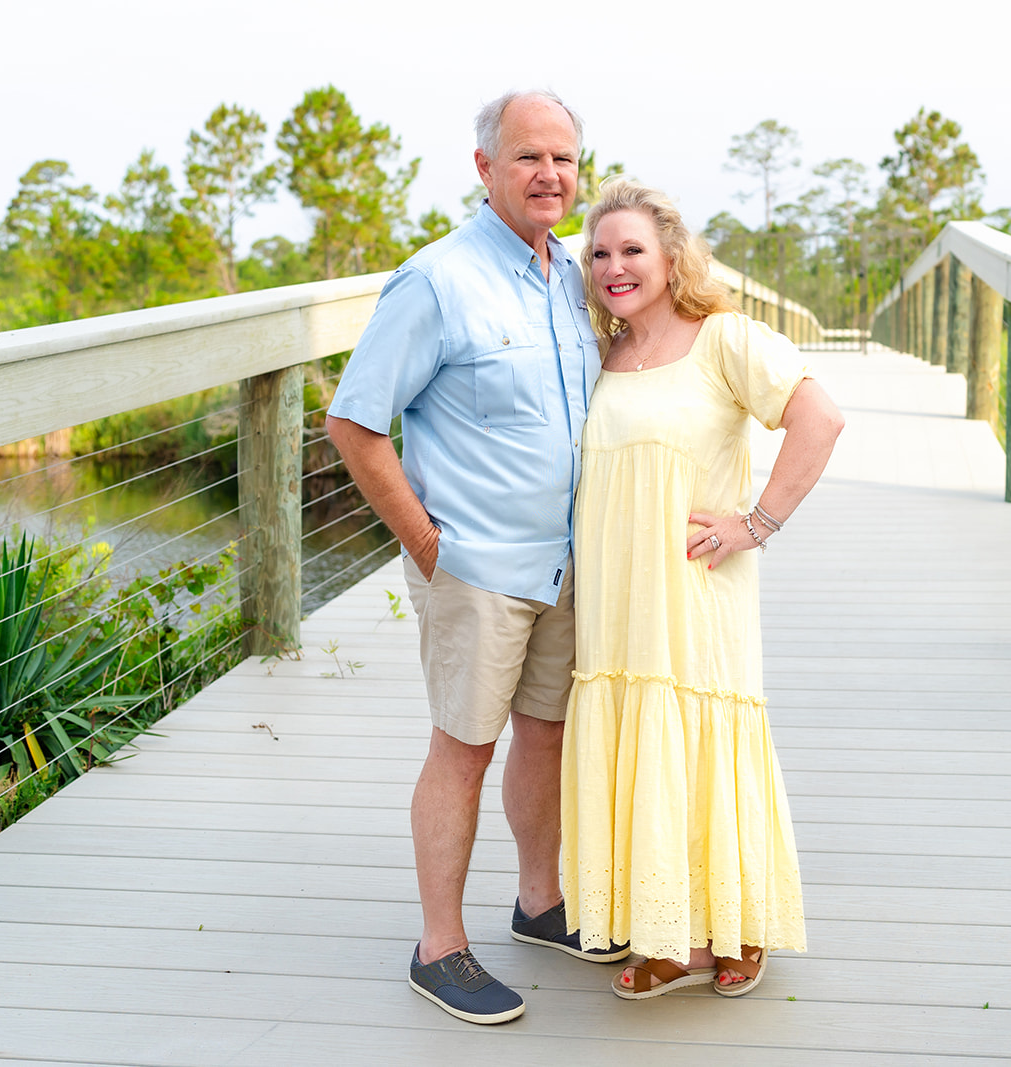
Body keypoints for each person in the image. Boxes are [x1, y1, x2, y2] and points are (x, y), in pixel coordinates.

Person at [325, 90, 626, 1027]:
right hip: (477, 568)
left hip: (567, 564)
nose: (551, 176)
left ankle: (540, 904)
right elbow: (354, 421)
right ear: (484, 167)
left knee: (547, 732)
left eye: (566, 160)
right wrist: (425, 542)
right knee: (463, 747)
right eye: (529, 157)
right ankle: (439, 947)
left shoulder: (577, 276)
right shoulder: (437, 280)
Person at [560, 178, 844, 999]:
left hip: (696, 587)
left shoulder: (724, 338)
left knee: (703, 734)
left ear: (673, 256)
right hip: (617, 598)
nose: (615, 266)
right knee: (644, 738)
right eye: (601, 253)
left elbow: (819, 418)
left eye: (633, 250)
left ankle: (738, 925)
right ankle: (669, 931)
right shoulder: (599, 351)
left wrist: (756, 522)